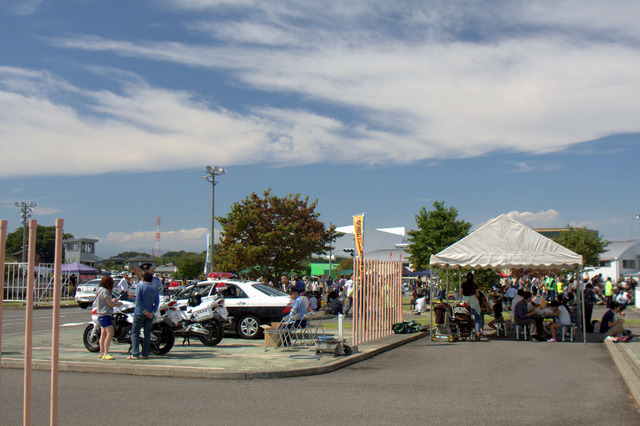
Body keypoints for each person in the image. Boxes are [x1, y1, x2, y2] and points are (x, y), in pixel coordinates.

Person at [129, 271, 160, 360]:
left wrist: (144, 311)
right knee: (147, 334)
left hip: (139, 313)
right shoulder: (155, 288)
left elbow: (138, 300)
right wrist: (152, 312)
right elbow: (156, 302)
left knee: (135, 333)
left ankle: (135, 353)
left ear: (143, 279)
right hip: (150, 314)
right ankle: (145, 353)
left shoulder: (140, 287)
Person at [94, 276, 122, 360]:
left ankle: (102, 352)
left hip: (100, 314)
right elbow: (109, 304)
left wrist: (111, 301)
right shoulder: (105, 291)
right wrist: (117, 304)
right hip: (106, 314)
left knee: (103, 334)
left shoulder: (99, 290)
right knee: (110, 333)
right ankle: (106, 353)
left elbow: (106, 301)